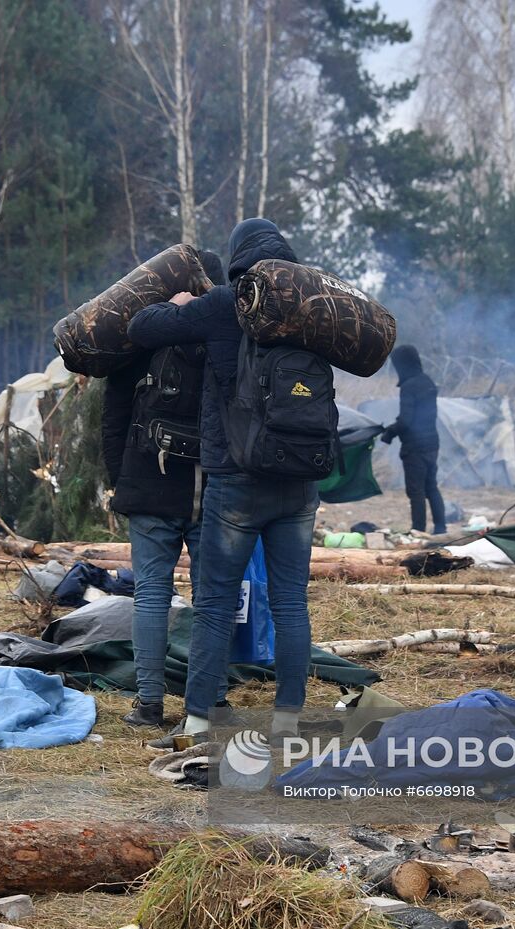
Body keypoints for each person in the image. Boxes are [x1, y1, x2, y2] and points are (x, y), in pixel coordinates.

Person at [127, 218, 316, 744]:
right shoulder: (311, 307)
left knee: (213, 603)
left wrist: (184, 307)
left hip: (235, 480)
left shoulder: (226, 303)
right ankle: (287, 722)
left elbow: (142, 326)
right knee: (290, 603)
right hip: (299, 482)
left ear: (236, 261)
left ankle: (196, 722)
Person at [103, 252, 226, 728]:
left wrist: (122, 480)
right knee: (211, 596)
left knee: (151, 594)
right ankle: (212, 701)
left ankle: (149, 704)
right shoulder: (221, 334)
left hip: (147, 484)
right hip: (207, 487)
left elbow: (113, 418)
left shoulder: (140, 335)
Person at [380, 344, 446, 535]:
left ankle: (418, 530)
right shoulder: (427, 381)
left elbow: (406, 421)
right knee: (431, 487)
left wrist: (390, 432)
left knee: (416, 491)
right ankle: (440, 528)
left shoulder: (409, 387)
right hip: (432, 443)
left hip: (415, 448)